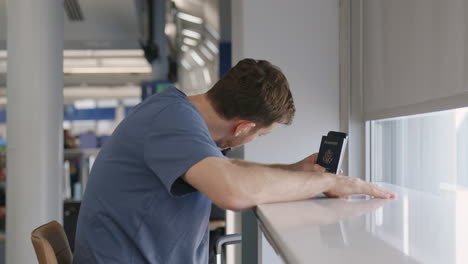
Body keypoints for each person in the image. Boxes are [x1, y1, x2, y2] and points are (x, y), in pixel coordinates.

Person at [73, 59, 396, 264]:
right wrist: (328, 181)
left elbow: (225, 170)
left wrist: (293, 171)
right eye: (260, 136)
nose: (253, 141)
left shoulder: (178, 114)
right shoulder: (170, 120)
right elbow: (233, 191)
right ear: (243, 127)